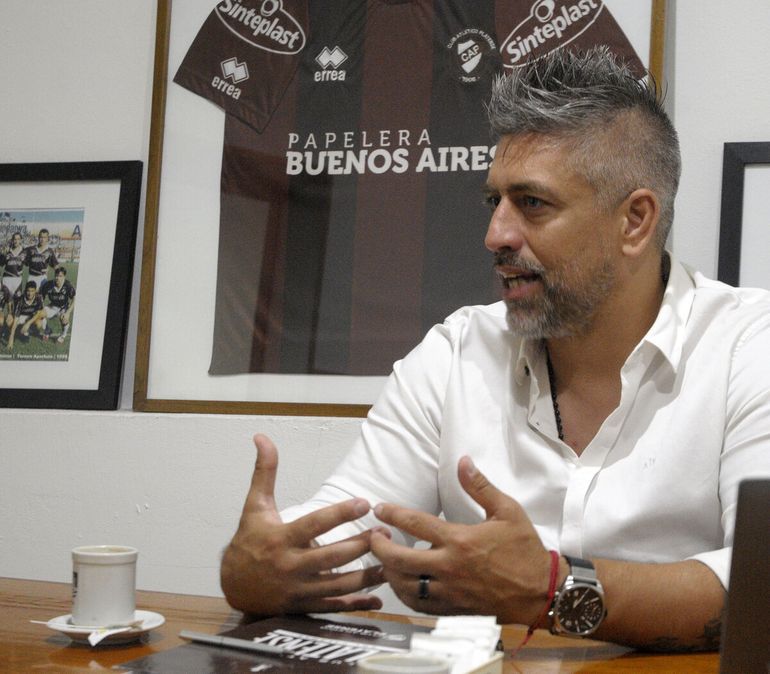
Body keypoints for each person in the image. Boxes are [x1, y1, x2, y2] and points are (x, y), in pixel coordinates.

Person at [219, 47, 770, 652]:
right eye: (494, 202)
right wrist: (259, 567)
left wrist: (550, 588)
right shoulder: (457, 352)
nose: (495, 235)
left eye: (532, 204)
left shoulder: (749, 347)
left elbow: (759, 584)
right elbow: (346, 526)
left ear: (635, 221)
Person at [40, 267, 76, 344]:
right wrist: (42, 308)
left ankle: (63, 335)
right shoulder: (48, 284)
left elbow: (74, 299)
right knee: (40, 315)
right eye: (56, 275)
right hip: (52, 306)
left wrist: (68, 313)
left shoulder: (68, 285)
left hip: (63, 307)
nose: (57, 278)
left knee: (64, 319)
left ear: (64, 277)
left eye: (60, 276)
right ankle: (47, 330)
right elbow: (41, 297)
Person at [7, 281, 45, 350]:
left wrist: (28, 323)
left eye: (32, 291)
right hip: (21, 316)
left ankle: (27, 331)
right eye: (28, 291)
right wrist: (11, 337)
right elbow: (16, 319)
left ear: (35, 291)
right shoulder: (20, 300)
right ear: (25, 291)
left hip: (31, 317)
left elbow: (39, 313)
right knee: (10, 322)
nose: (30, 293)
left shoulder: (39, 297)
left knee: (39, 323)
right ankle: (18, 331)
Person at [1, 232, 26, 296]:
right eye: (15, 239)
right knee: (4, 299)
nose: (16, 241)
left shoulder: (24, 251)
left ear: (21, 240)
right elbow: (1, 264)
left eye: (18, 239)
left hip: (18, 280)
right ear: (12, 240)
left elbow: (30, 262)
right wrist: (3, 254)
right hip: (6, 279)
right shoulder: (7, 251)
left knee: (17, 299)